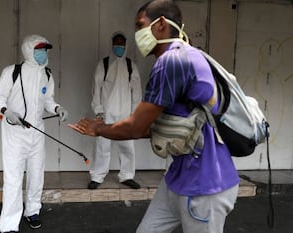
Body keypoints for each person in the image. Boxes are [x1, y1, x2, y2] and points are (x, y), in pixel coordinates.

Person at [69, 1, 240, 233]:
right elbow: (156, 126)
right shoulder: (180, 57)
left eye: (140, 26)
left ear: (160, 25)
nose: (137, 33)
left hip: (205, 184)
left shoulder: (172, 61)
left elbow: (138, 128)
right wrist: (110, 122)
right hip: (177, 179)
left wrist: (97, 129)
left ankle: (125, 173)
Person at [0, 34, 68, 233]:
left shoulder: (47, 74)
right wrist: (7, 111)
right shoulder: (12, 72)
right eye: (39, 49)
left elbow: (47, 100)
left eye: (45, 50)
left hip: (37, 132)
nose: (43, 53)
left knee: (36, 173)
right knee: (14, 178)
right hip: (14, 133)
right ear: (28, 50)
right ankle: (9, 225)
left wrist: (57, 108)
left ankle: (32, 210)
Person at [89, 31, 142, 190]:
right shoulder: (104, 64)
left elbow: (137, 91)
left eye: (122, 44)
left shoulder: (130, 65)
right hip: (105, 113)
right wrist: (98, 110)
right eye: (116, 44)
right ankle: (97, 177)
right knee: (102, 146)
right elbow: (95, 88)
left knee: (127, 146)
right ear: (111, 45)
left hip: (125, 113)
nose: (119, 47)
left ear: (126, 46)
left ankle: (127, 176)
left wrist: (135, 113)